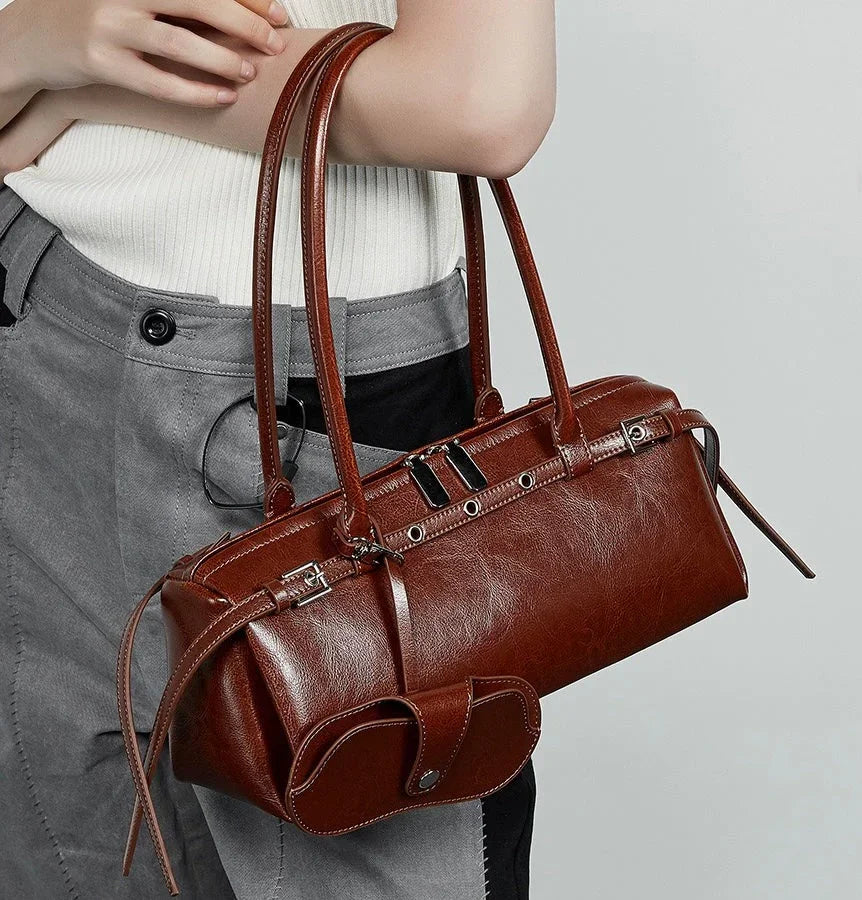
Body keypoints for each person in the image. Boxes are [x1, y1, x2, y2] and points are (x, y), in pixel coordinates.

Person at [0, 1, 555, 897]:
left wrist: (81, 84)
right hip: (39, 329)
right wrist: (26, 44)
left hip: (328, 396)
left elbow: (481, 102)